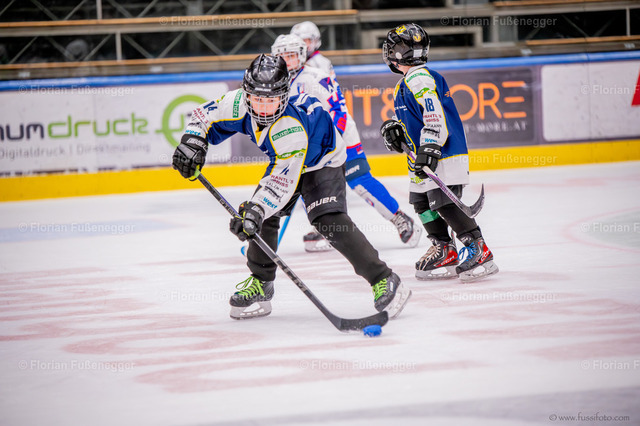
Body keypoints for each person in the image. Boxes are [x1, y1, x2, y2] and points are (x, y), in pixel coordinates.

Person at [172, 54, 411, 320]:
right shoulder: (236, 101)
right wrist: (193, 142)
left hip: (323, 160)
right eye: (257, 98)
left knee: (328, 220)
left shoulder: (290, 127)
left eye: (271, 99)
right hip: (285, 159)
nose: (263, 107)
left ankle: (383, 278)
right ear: (246, 93)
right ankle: (261, 283)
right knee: (262, 218)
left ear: (284, 96)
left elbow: (281, 183)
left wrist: (256, 210)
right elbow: (203, 114)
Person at [275, 33, 422, 252]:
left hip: (340, 139)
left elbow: (338, 111)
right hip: (308, 147)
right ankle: (322, 227)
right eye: (283, 56)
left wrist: (325, 139)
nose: (287, 61)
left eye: (292, 55)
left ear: (301, 55)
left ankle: (399, 218)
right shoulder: (278, 85)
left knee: (359, 179)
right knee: (310, 187)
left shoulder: (316, 77)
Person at [380, 23, 499, 282]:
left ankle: (477, 247)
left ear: (398, 52)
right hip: (424, 156)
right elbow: (415, 117)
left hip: (443, 153)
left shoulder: (418, 78)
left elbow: (434, 115)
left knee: (443, 203)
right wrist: (396, 130)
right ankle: (445, 248)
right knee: (421, 202)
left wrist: (431, 145)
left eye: (392, 47)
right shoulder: (408, 81)